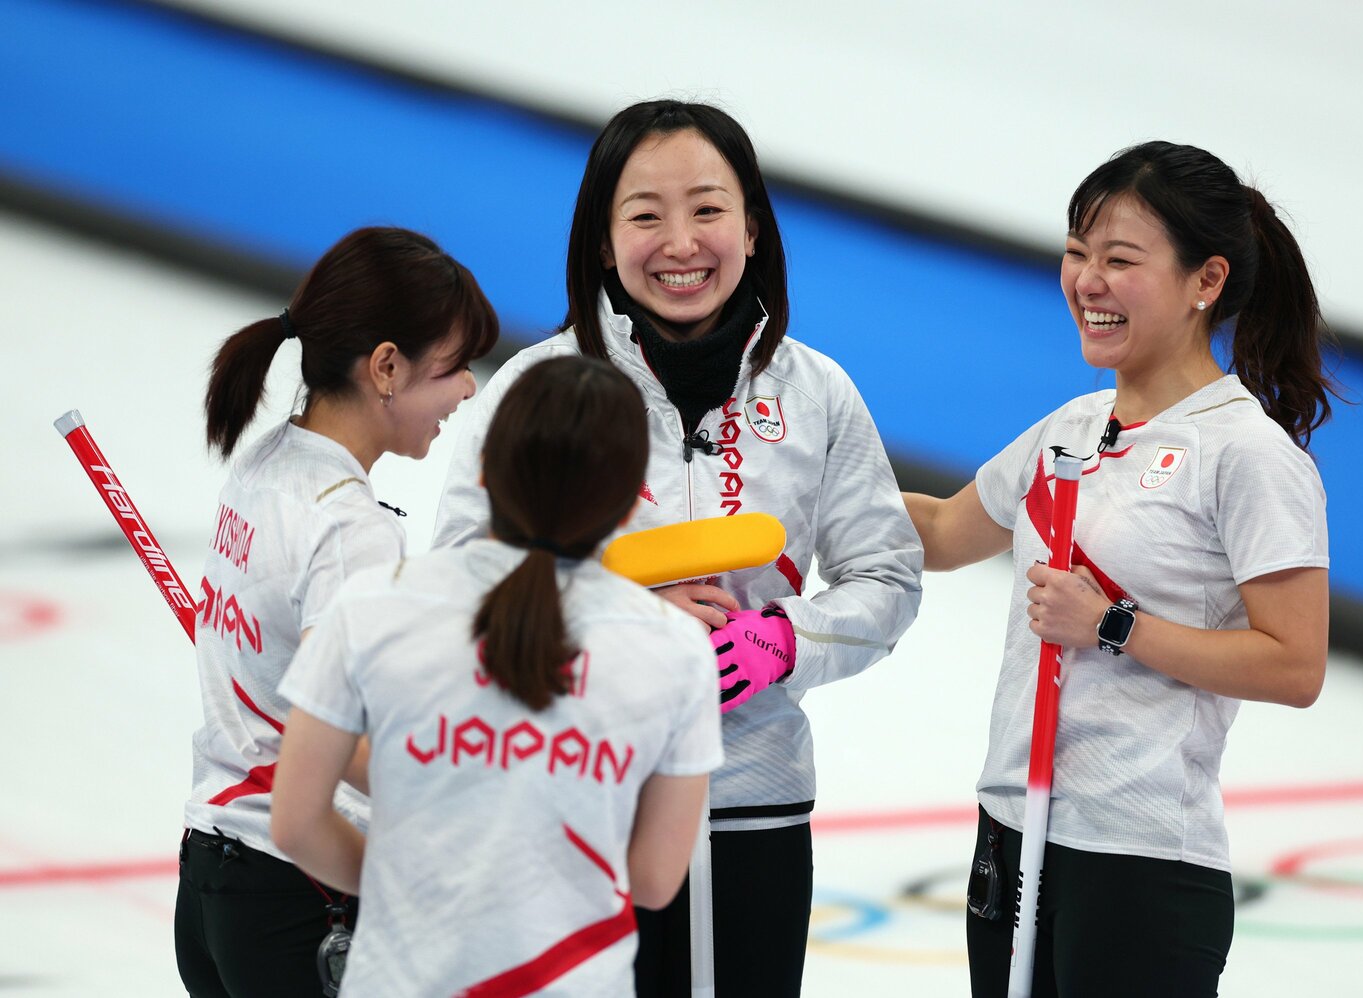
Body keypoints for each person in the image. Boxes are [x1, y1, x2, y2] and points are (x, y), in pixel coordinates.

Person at [432, 99, 924, 997]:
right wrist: (620, 620)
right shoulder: (536, 389)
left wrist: (785, 640)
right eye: (646, 215)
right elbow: (463, 584)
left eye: (707, 209)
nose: (681, 242)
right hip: (573, 798)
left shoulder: (816, 392)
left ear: (752, 225)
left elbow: (888, 576)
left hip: (754, 806)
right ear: (600, 239)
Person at [903, 141, 1336, 996]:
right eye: (1077, 252)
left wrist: (1113, 624)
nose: (1087, 281)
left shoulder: (1247, 454)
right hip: (1014, 832)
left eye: (1119, 260)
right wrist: (800, 500)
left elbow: (1295, 664)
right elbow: (948, 531)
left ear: (1205, 280)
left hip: (1137, 858)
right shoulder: (1070, 424)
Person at [270, 355, 722, 996]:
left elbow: (294, 823)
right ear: (626, 510)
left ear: (485, 471)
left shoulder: (374, 604)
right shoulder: (676, 650)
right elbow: (653, 879)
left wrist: (409, 886)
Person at [175, 226, 498, 997]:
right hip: (304, 903)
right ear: (387, 367)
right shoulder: (352, 529)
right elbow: (346, 743)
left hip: (213, 886)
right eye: (455, 367)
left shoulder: (268, 461)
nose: (468, 390)